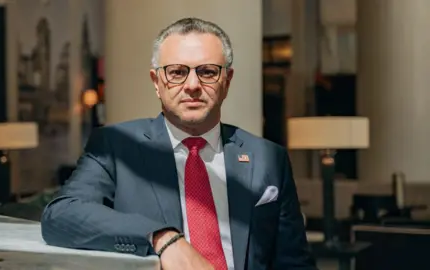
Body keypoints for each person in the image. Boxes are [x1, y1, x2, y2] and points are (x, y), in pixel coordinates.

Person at [41, 17, 317, 270]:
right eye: (177, 72)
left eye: (208, 72)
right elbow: (62, 215)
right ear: (157, 82)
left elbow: (294, 263)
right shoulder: (115, 146)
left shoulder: (268, 157)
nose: (193, 85)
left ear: (227, 81)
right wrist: (161, 237)